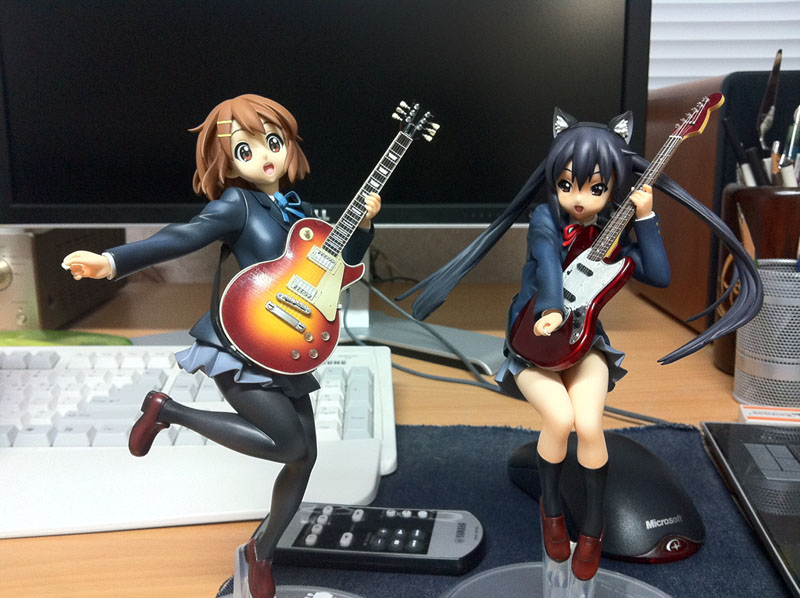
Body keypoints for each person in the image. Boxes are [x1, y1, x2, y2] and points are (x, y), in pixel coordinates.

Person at [399, 107, 761, 581]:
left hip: (585, 345)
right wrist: (550, 308)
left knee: (589, 425)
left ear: (613, 187)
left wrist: (647, 217)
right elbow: (547, 261)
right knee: (559, 418)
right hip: (534, 342)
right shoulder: (545, 218)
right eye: (567, 184)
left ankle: (592, 529)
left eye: (595, 188)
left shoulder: (615, 237)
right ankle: (552, 511)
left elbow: (659, 276)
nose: (578, 198)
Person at [62, 94, 381, 598]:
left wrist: (362, 226)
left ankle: (261, 552)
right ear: (226, 161)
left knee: (304, 459)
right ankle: (169, 411)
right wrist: (111, 261)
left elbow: (340, 269)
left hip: (285, 343)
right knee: (291, 446)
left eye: (273, 141)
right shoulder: (237, 204)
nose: (265, 156)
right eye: (245, 150)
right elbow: (182, 236)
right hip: (240, 341)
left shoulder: (298, 212)